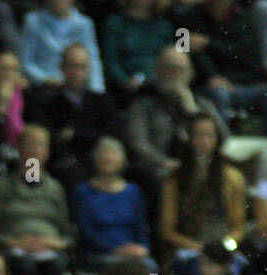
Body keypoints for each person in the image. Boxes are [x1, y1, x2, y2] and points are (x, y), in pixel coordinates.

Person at [180, 0, 267, 137]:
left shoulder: (243, 17)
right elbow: (183, 49)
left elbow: (245, 53)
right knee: (220, 94)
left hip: (242, 82)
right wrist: (211, 75)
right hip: (205, 84)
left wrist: (208, 43)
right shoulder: (189, 16)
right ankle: (222, 148)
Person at [0, 125, 73, 275]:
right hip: (15, 247)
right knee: (24, 267)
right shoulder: (4, 187)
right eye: (30, 144)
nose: (35, 150)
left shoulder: (56, 188)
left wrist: (54, 243)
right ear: (19, 149)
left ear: (48, 151)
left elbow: (66, 231)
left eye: (40, 145)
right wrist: (14, 243)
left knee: (56, 267)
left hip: (50, 248)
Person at [24, 42, 121, 190]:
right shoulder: (48, 103)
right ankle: (31, 194)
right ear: (62, 68)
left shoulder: (102, 101)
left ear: (89, 69)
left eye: (82, 67)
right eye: (72, 66)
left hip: (98, 160)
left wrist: (75, 135)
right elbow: (51, 138)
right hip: (62, 163)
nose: (77, 72)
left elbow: (113, 134)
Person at [159, 113, 246, 275]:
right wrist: (201, 248)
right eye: (198, 134)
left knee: (232, 270)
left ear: (216, 139)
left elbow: (238, 227)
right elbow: (167, 230)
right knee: (200, 269)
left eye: (209, 135)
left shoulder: (233, 178)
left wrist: (224, 247)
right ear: (190, 139)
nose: (203, 140)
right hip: (188, 249)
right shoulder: (174, 181)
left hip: (222, 248)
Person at [126, 47, 228, 182]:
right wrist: (164, 162)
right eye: (169, 68)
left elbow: (223, 136)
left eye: (181, 69)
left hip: (199, 168)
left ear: (190, 74)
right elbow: (138, 143)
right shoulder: (143, 105)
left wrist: (193, 112)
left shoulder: (202, 104)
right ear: (157, 70)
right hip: (159, 169)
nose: (175, 74)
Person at [72, 136, 152, 272]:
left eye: (113, 154)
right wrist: (115, 250)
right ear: (95, 159)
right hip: (99, 253)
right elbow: (85, 230)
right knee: (125, 268)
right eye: (104, 154)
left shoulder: (133, 191)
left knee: (149, 266)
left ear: (122, 160)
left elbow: (141, 227)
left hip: (132, 252)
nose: (108, 158)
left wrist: (143, 248)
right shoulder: (83, 191)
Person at [19, 0, 105, 93]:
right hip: (44, 85)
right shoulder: (32, 21)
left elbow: (93, 59)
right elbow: (25, 61)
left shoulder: (84, 24)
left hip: (76, 83)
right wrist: (43, 79)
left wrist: (97, 90)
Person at [101, 0, 176, 101]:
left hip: (159, 84)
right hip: (125, 87)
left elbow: (171, 58)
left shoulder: (164, 26)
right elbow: (110, 60)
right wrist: (124, 81)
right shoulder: (115, 23)